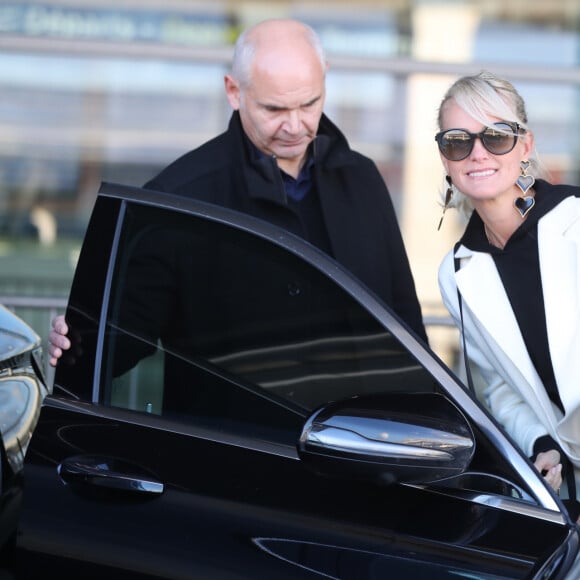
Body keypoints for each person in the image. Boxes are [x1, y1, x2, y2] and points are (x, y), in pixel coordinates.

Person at [48, 18, 427, 369]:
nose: (295, 126)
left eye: (309, 103)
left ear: (325, 80)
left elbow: (405, 326)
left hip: (359, 438)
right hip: (232, 442)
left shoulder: (362, 179)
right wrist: (77, 344)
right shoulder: (178, 198)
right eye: (274, 108)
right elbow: (120, 340)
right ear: (234, 91)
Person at [435, 70, 580, 520]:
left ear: (526, 146)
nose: (477, 153)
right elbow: (499, 389)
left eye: (496, 136)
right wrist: (542, 443)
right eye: (459, 141)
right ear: (445, 159)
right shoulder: (456, 274)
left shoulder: (575, 222)